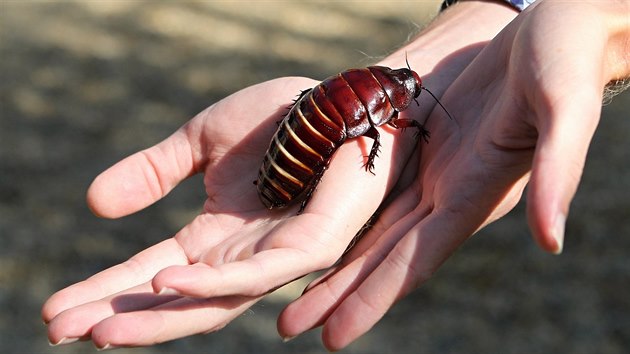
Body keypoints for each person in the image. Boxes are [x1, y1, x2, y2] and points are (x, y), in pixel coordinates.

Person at [42, 0, 629, 351]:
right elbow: (378, 125)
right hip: (308, 137)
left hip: (321, 123)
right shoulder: (387, 112)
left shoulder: (382, 102)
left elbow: (378, 118)